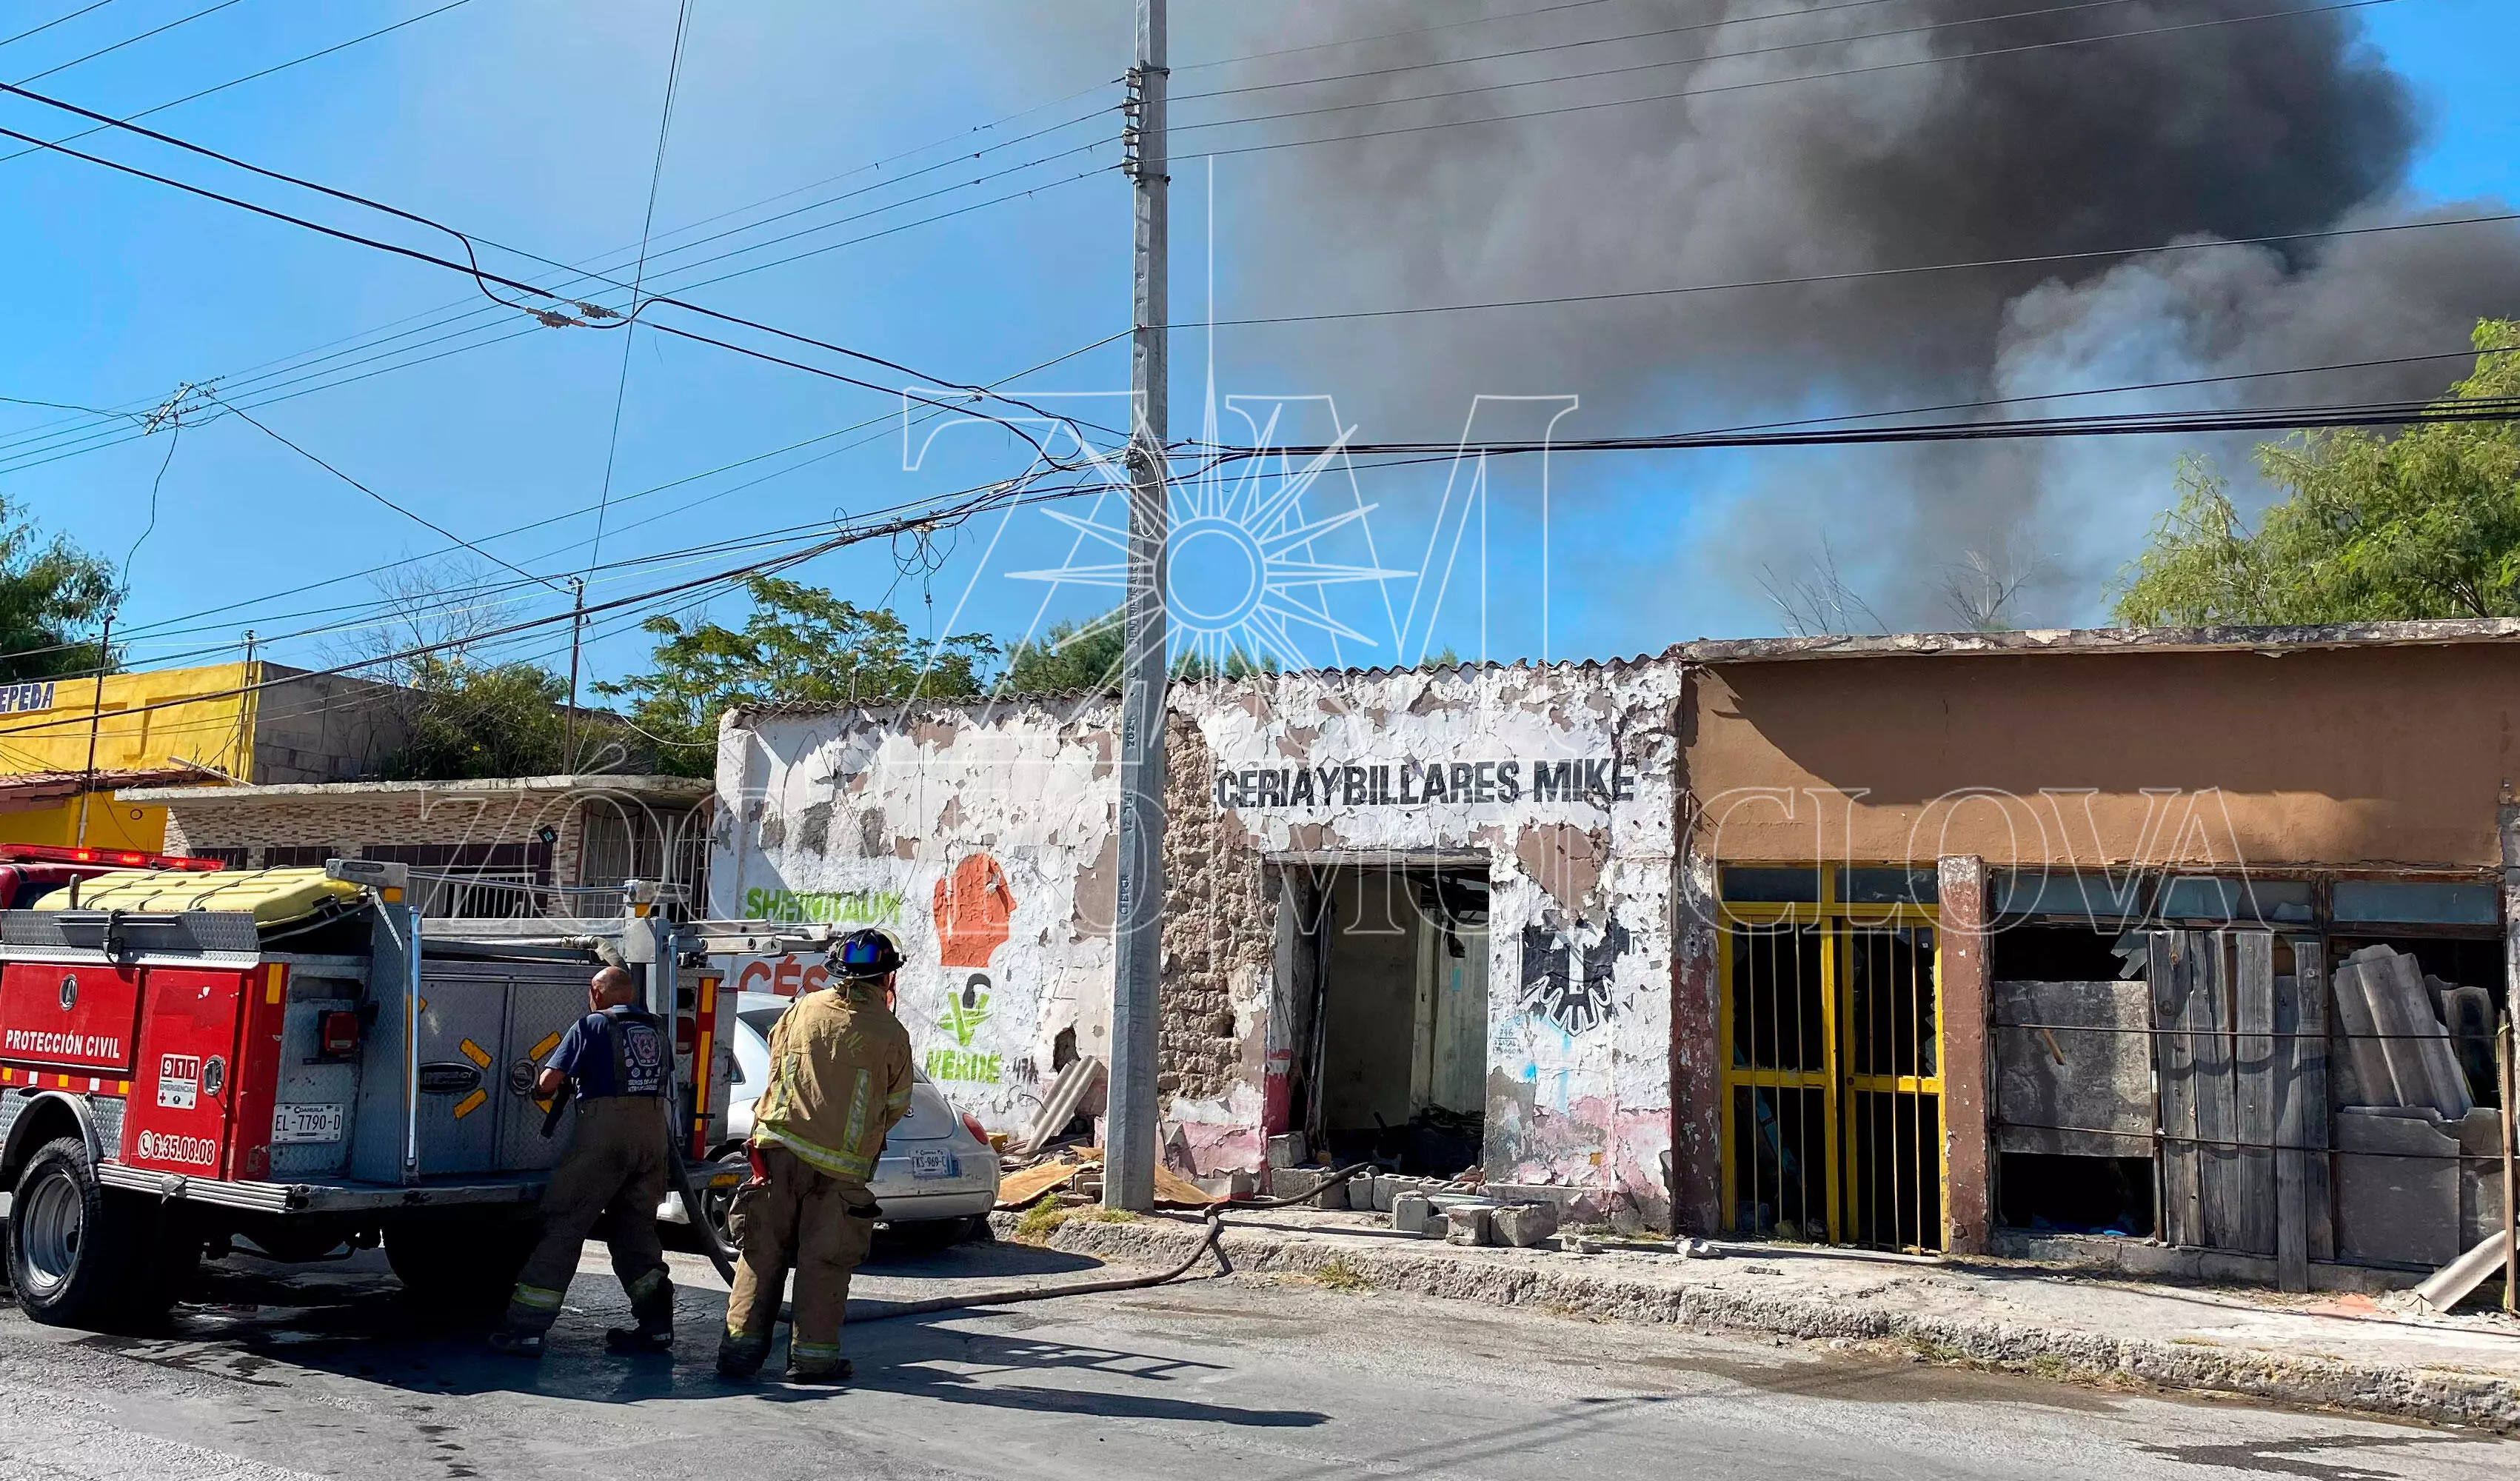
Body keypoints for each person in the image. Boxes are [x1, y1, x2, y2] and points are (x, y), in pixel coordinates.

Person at [717, 927, 914, 1384]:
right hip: (837, 1171)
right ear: (887, 980)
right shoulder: (890, 1032)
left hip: (775, 1155)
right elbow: (898, 1103)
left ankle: (738, 1356)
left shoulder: (802, 1008)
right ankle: (812, 1361)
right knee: (823, 1264)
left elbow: (778, 1062)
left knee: (759, 1256)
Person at [489, 964, 677, 1358]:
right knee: (636, 1230)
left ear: (597, 991)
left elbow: (548, 1083)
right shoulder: (658, 1028)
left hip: (605, 1138)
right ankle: (657, 1327)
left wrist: (536, 1086)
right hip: (653, 1137)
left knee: (565, 1225)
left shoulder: (592, 1025)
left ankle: (526, 1331)